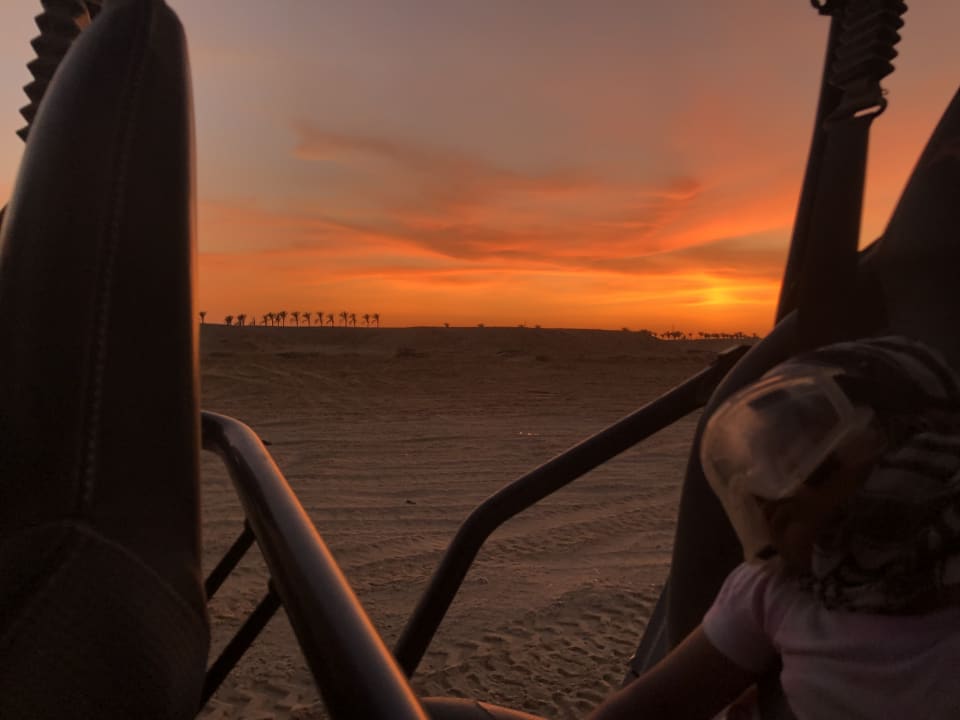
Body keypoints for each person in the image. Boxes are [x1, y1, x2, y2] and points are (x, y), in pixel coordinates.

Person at [588, 336, 960, 720]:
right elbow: (650, 708)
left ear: (908, 463)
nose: (767, 497)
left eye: (803, 463)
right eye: (765, 461)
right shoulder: (772, 590)